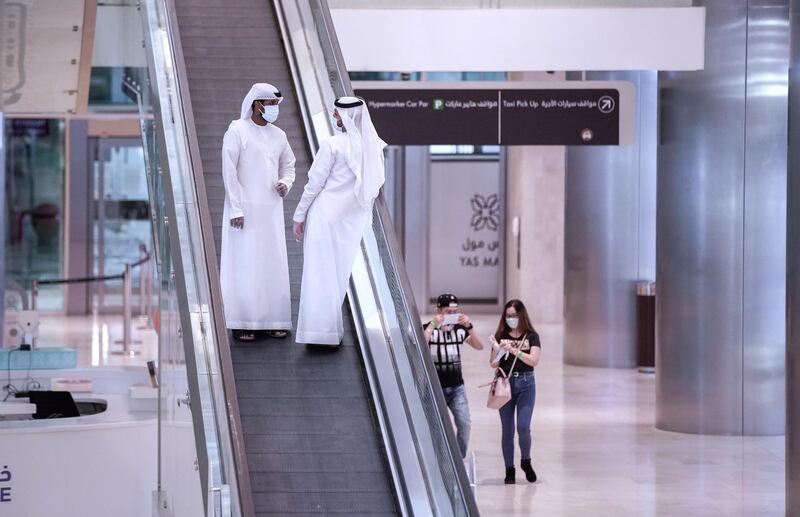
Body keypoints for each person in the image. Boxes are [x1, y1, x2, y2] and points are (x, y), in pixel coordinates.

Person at [292, 97, 386, 346]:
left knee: (318, 273)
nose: (334, 118)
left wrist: (298, 215)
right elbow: (374, 187)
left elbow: (314, 184)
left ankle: (318, 333)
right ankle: (330, 332)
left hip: (325, 218)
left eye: (336, 114)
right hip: (352, 222)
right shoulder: (374, 148)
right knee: (338, 275)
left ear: (346, 117)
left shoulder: (332, 145)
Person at [220, 83, 296, 341]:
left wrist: (285, 183)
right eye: (270, 104)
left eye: (276, 104)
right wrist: (235, 208)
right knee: (245, 264)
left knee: (272, 263)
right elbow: (229, 172)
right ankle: (243, 322)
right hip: (243, 210)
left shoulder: (279, 135)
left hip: (271, 210)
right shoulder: (237, 130)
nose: (274, 109)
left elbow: (289, 165)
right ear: (256, 103)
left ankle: (275, 320)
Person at [423, 293, 484, 459]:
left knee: (464, 424)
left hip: (457, 387)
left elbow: (479, 346)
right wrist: (433, 324)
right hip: (435, 388)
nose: (451, 315)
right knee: (438, 427)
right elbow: (419, 343)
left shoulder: (460, 330)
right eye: (447, 311)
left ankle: (458, 457)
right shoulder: (429, 328)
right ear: (439, 311)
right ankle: (440, 459)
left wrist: (469, 326)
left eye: (455, 312)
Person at [490, 299, 541, 484]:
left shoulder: (532, 336)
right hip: (505, 384)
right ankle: (509, 469)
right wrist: (501, 352)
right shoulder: (500, 335)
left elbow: (534, 360)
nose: (511, 319)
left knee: (523, 426)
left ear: (522, 316)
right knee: (507, 429)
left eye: (514, 315)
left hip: (527, 383)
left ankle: (526, 461)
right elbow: (493, 363)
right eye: (508, 315)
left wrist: (515, 351)